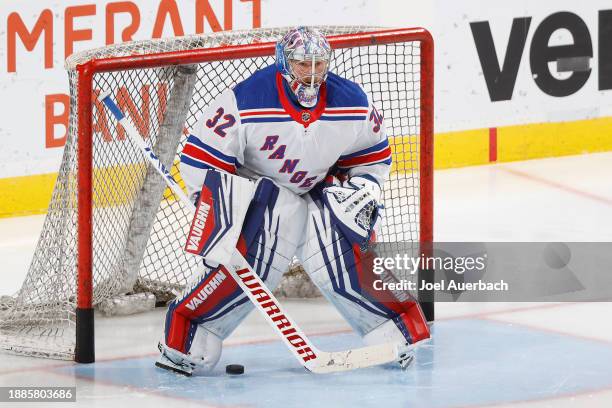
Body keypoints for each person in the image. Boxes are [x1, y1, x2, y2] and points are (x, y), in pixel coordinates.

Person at [155, 26, 430, 376]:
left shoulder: (353, 102)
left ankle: (395, 332)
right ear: (285, 63)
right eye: (303, 64)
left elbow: (371, 156)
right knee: (254, 253)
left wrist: (363, 189)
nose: (313, 73)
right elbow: (200, 160)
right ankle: (189, 338)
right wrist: (220, 209)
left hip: (316, 189)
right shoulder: (246, 100)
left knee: (343, 253)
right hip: (260, 195)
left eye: (319, 64)